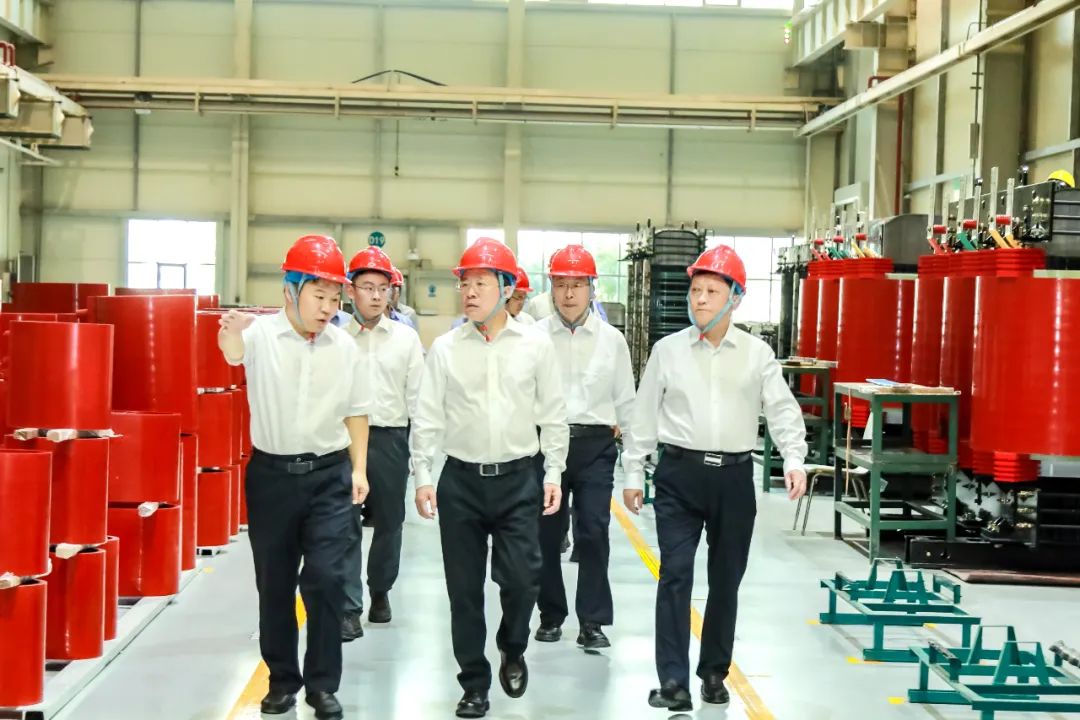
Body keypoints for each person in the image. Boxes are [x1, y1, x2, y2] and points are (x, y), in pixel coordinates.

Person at [621, 245, 808, 712]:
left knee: (726, 581)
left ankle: (713, 673)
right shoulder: (667, 351)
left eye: (711, 291)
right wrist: (633, 471)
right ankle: (672, 681)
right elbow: (644, 415)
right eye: (695, 290)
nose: (700, 299)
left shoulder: (757, 354)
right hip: (678, 476)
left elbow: (782, 410)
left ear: (735, 299)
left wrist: (794, 459)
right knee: (675, 574)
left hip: (734, 479)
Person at [410, 238, 569, 719]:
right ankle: (473, 683)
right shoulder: (445, 349)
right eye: (465, 283)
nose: (470, 292)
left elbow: (553, 414)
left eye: (481, 282)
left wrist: (554, 471)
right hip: (460, 482)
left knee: (522, 580)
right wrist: (423, 474)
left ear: (505, 287)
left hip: (519, 479)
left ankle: (512, 646)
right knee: (463, 591)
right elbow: (427, 415)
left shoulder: (535, 345)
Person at [218, 234, 371, 720]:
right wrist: (231, 331)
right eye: (318, 295)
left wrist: (359, 469)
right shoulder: (261, 335)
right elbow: (232, 351)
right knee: (275, 583)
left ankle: (322, 686)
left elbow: (357, 412)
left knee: (327, 580)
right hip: (272, 478)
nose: (328, 308)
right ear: (290, 290)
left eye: (335, 298)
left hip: (329, 476)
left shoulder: (345, 347)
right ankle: (282, 680)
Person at [534, 244, 635, 650]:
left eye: (577, 285)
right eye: (561, 284)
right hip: (545, 445)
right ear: (551, 288)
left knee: (593, 531)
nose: (569, 293)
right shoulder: (533, 337)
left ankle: (592, 620)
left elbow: (626, 401)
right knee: (546, 534)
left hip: (595, 447)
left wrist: (634, 466)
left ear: (593, 288)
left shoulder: (612, 341)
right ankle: (550, 615)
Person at [340, 246, 425, 641]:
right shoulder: (335, 338)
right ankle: (348, 606)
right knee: (345, 524)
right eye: (367, 287)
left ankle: (380, 590)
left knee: (390, 522)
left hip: (390, 440)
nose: (375, 296)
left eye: (382, 288)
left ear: (392, 292)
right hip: (342, 442)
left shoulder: (406, 340)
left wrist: (420, 460)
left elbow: (418, 400)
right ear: (350, 290)